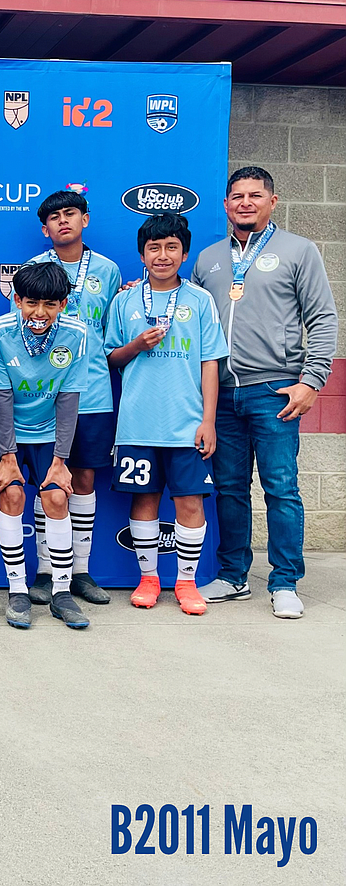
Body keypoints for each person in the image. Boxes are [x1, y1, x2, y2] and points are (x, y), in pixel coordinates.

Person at [192, 167, 338, 620]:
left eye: (255, 195)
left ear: (273, 201)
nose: (245, 202)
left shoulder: (299, 250)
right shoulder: (209, 258)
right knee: (231, 489)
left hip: (275, 390)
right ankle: (234, 575)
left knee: (280, 488)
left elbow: (323, 318)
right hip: (223, 393)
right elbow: (191, 320)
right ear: (226, 205)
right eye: (237, 196)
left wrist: (312, 381)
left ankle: (285, 581)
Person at [105, 214, 227, 615]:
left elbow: (211, 362)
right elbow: (111, 356)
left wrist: (208, 420)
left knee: (190, 503)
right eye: (154, 247)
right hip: (138, 422)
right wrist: (137, 345)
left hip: (187, 424)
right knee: (144, 501)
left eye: (171, 247)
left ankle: (187, 583)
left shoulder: (199, 300)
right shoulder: (124, 300)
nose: (162, 255)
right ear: (142, 253)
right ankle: (149, 578)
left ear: (184, 252)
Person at [25, 191, 121, 608]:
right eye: (54, 218)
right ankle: (47, 571)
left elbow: (114, 327)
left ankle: (78, 571)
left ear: (85, 219)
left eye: (70, 214)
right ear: (45, 229)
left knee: (82, 481)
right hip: (44, 395)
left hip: (95, 393)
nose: (63, 222)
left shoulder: (109, 270)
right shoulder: (32, 271)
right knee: (47, 483)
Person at [0, 261, 90, 630]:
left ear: (63, 303)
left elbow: (69, 398)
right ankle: (17, 591)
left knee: (57, 498)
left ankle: (61, 593)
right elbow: (0, 397)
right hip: (7, 429)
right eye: (31, 303)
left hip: (49, 432)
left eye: (50, 304)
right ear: (16, 299)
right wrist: (7, 456)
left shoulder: (76, 333)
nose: (39, 313)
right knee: (12, 496)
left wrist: (61, 461)